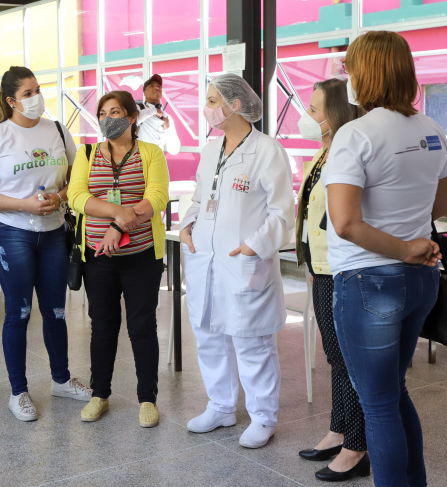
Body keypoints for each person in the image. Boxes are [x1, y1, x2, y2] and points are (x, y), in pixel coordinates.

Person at [324, 31, 447, 487]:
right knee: (392, 395)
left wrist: (402, 246)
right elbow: (442, 207)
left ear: (369, 73)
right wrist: (412, 240)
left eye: (352, 69)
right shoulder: (431, 130)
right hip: (420, 280)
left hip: (368, 281)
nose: (349, 78)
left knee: (377, 405)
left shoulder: (354, 134)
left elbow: (344, 222)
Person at [179, 73, 294, 450]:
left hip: (244, 263)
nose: (207, 108)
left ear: (236, 105)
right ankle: (221, 406)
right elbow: (200, 198)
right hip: (205, 261)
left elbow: (282, 214)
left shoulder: (267, 150)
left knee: (251, 342)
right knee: (209, 335)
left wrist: (252, 246)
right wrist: (188, 225)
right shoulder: (211, 150)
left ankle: (263, 417)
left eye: (213, 101)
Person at [0, 65, 92, 422]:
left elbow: (75, 178)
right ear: (11, 100)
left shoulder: (57, 130)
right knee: (19, 313)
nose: (36, 98)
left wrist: (60, 198)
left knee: (56, 311)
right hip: (11, 232)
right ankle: (19, 391)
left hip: (54, 232)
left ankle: (60, 379)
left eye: (38, 90)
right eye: (28, 94)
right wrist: (25, 204)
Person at [67, 90, 170, 428]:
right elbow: (77, 196)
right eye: (102, 113)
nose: (107, 119)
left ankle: (147, 398)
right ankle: (100, 394)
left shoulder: (151, 153)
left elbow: (156, 197)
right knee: (103, 326)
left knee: (142, 326)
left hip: (141, 255)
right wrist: (119, 213)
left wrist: (117, 226)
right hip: (97, 257)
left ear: (132, 117)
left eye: (115, 112)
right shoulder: (87, 153)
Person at [294, 79, 368, 481]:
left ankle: (357, 447)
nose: (308, 116)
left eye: (314, 109)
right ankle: (339, 429)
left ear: (335, 113)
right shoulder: (321, 156)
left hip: (341, 267)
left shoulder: (346, 154)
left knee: (347, 360)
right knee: (334, 358)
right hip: (320, 267)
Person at [136, 74, 180, 155]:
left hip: (158, 162)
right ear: (144, 92)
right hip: (140, 161)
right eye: (152, 85)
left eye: (159, 86)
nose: (157, 87)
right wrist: (153, 110)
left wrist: (167, 128)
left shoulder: (167, 118)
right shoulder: (138, 108)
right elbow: (134, 121)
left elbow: (174, 150)